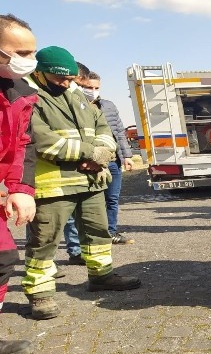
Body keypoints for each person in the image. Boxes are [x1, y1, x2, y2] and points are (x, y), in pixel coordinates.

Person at [23, 46, 141, 320]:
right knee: (44, 242)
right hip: (53, 183)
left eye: (70, 79)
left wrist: (102, 153)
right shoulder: (27, 96)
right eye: (58, 78)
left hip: (91, 179)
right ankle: (40, 294)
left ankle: (101, 276)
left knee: (98, 233)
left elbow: (103, 128)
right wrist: (92, 154)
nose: (65, 84)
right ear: (39, 72)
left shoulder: (76, 94)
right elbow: (41, 139)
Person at [62, 70, 136, 266]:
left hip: (112, 161)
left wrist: (126, 156)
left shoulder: (108, 106)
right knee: (76, 207)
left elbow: (119, 132)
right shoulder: (71, 106)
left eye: (96, 88)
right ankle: (76, 249)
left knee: (111, 199)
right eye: (88, 87)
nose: (92, 91)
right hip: (85, 161)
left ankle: (109, 233)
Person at [0, 13, 38, 353]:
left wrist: (20, 189)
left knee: (3, 257)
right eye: (21, 53)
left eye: (31, 52)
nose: (29, 61)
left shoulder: (21, 93)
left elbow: (22, 145)